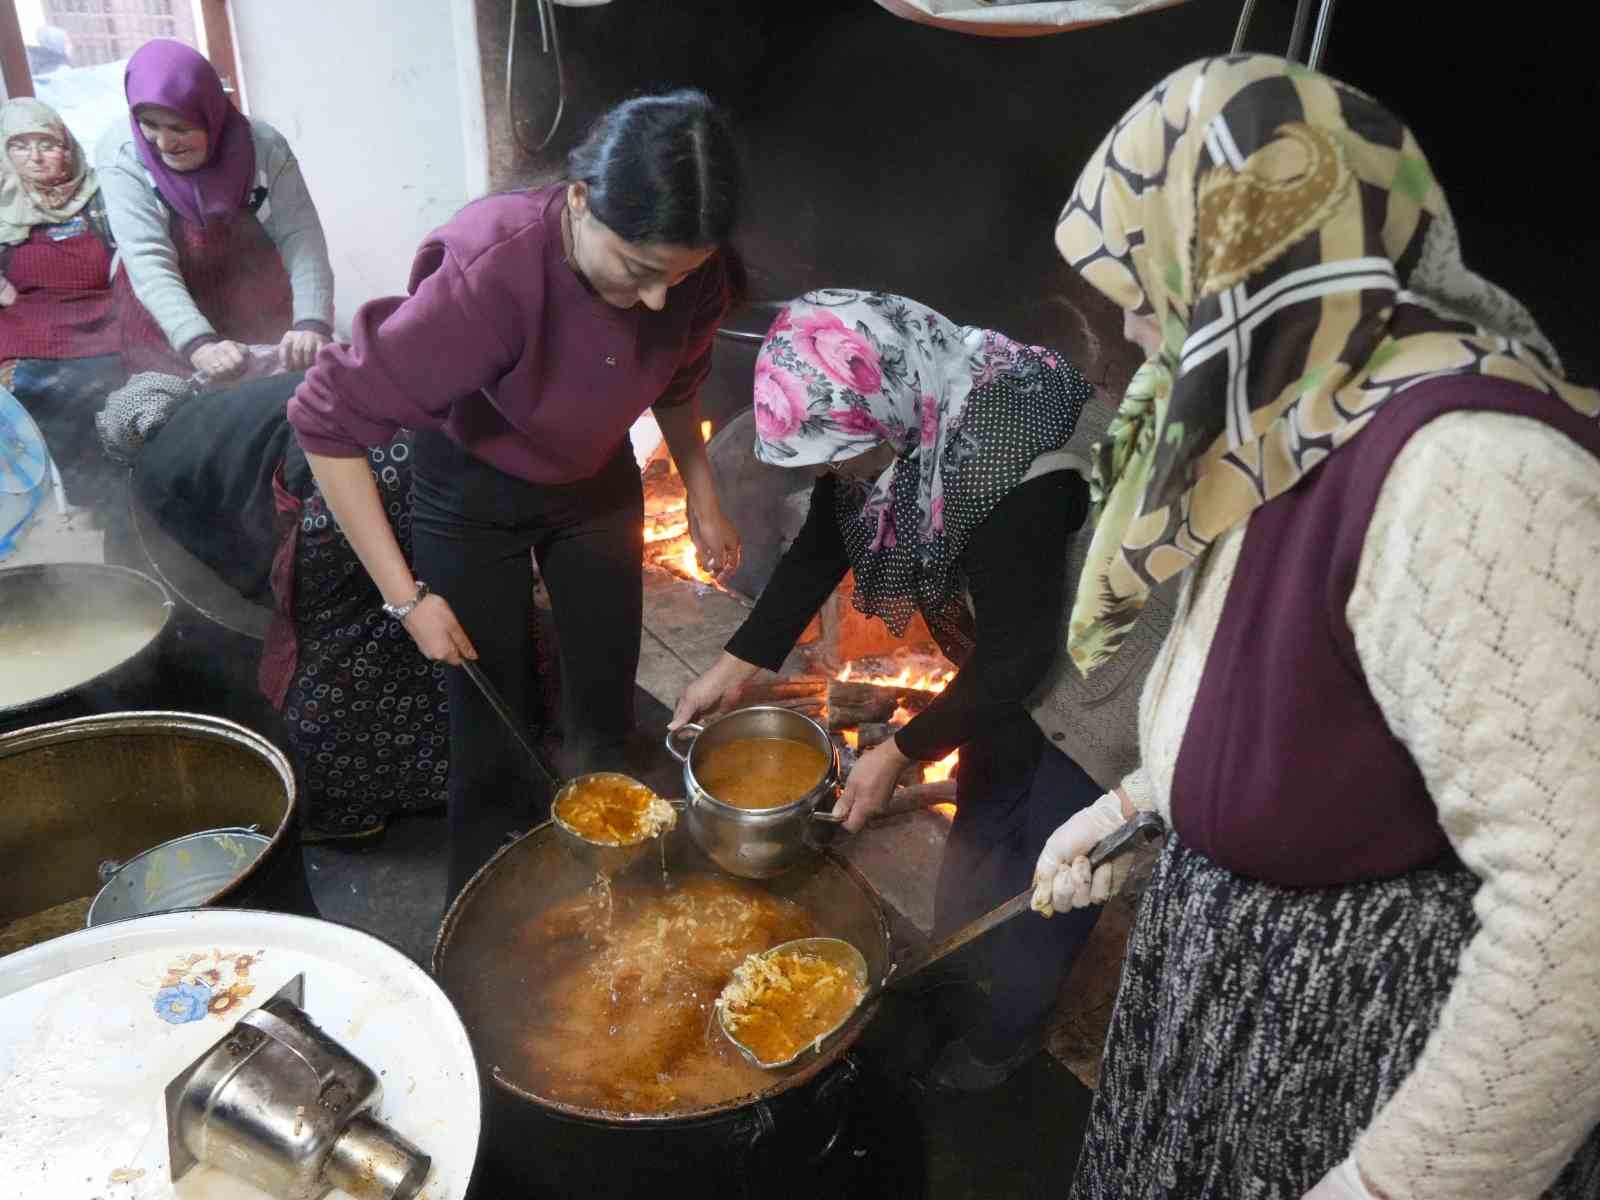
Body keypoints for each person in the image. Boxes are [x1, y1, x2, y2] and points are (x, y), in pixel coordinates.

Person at [1033, 55, 1600, 1198]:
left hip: (1350, 1045)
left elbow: (1575, 915)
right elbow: (1303, 698)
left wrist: (1388, 1187)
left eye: (1154, 287)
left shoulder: (1469, 472)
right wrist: (1145, 805)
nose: (1139, 333)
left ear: (1255, 259)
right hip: (1231, 1000)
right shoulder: (1296, 407)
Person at [673, 289, 1168, 1088]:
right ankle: (955, 968)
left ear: (884, 418)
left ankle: (1002, 1039)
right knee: (986, 805)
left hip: (1106, 662)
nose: (836, 474)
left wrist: (897, 754)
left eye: (840, 457)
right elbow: (834, 527)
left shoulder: (1012, 469)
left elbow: (1019, 660)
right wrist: (739, 662)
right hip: (1020, 629)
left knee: (1053, 861)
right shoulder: (907, 401)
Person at [288, 90, 744, 893]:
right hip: (471, 490)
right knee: (492, 718)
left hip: (595, 479)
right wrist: (406, 599)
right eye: (639, 271)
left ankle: (611, 888)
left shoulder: (689, 276)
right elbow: (326, 420)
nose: (658, 300)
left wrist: (702, 496)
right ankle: (495, 917)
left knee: (604, 706)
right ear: (579, 202)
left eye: (680, 276)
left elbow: (679, 378)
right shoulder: (489, 276)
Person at [98, 39, 333, 381]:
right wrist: (198, 343)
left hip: (250, 284)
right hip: (165, 304)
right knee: (185, 410)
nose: (164, 144)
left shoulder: (264, 146)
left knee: (280, 387)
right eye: (149, 124)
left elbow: (301, 236)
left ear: (211, 112)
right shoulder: (121, 154)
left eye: (180, 126)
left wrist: (311, 322)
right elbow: (148, 258)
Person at [0, 97, 124, 505]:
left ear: (66, 147)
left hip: (104, 319)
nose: (35, 158)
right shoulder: (2, 205)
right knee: (35, 388)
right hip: (28, 329)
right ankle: (86, 494)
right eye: (19, 145)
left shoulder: (101, 197)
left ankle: (123, 487)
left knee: (118, 385)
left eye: (47, 144)